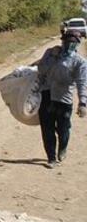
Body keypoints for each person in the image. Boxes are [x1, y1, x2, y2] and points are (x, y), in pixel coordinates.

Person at [36, 29, 87, 168]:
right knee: (47, 128)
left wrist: (83, 102)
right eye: (68, 41)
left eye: (74, 42)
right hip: (46, 95)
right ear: (63, 41)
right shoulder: (50, 53)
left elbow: (82, 82)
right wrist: (53, 57)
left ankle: (62, 148)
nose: (70, 44)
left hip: (64, 98)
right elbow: (41, 70)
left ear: (77, 44)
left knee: (64, 129)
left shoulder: (79, 62)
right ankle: (51, 158)